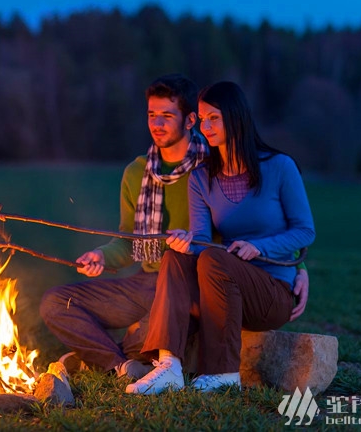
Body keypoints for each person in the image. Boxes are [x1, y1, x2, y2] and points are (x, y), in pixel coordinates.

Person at [127, 81, 316, 395]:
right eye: (202, 119)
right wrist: (188, 241)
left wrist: (260, 247)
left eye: (213, 118)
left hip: (271, 293)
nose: (205, 126)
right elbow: (202, 240)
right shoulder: (202, 177)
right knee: (175, 256)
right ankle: (168, 366)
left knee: (215, 258)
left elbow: (304, 230)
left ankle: (223, 373)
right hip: (223, 291)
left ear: (235, 117)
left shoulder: (280, 167)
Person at [39, 74, 207, 379]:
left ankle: (106, 357)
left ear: (190, 119)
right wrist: (102, 257)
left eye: (167, 116)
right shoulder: (136, 172)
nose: (157, 124)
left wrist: (298, 268)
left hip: (188, 285)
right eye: (152, 115)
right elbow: (128, 240)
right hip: (145, 281)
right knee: (55, 303)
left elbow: (250, 225)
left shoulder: (211, 169)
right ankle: (123, 364)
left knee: (159, 327)